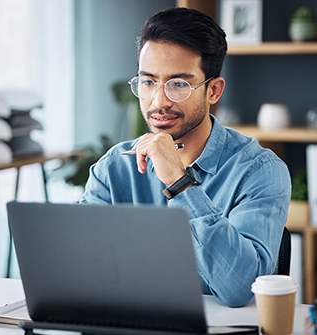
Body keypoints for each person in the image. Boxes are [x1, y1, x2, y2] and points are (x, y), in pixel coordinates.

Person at [80, 7, 291, 307]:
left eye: (178, 84)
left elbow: (241, 288)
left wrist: (180, 182)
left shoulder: (260, 171)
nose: (159, 100)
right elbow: (80, 270)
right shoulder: (114, 168)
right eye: (148, 81)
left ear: (213, 91)